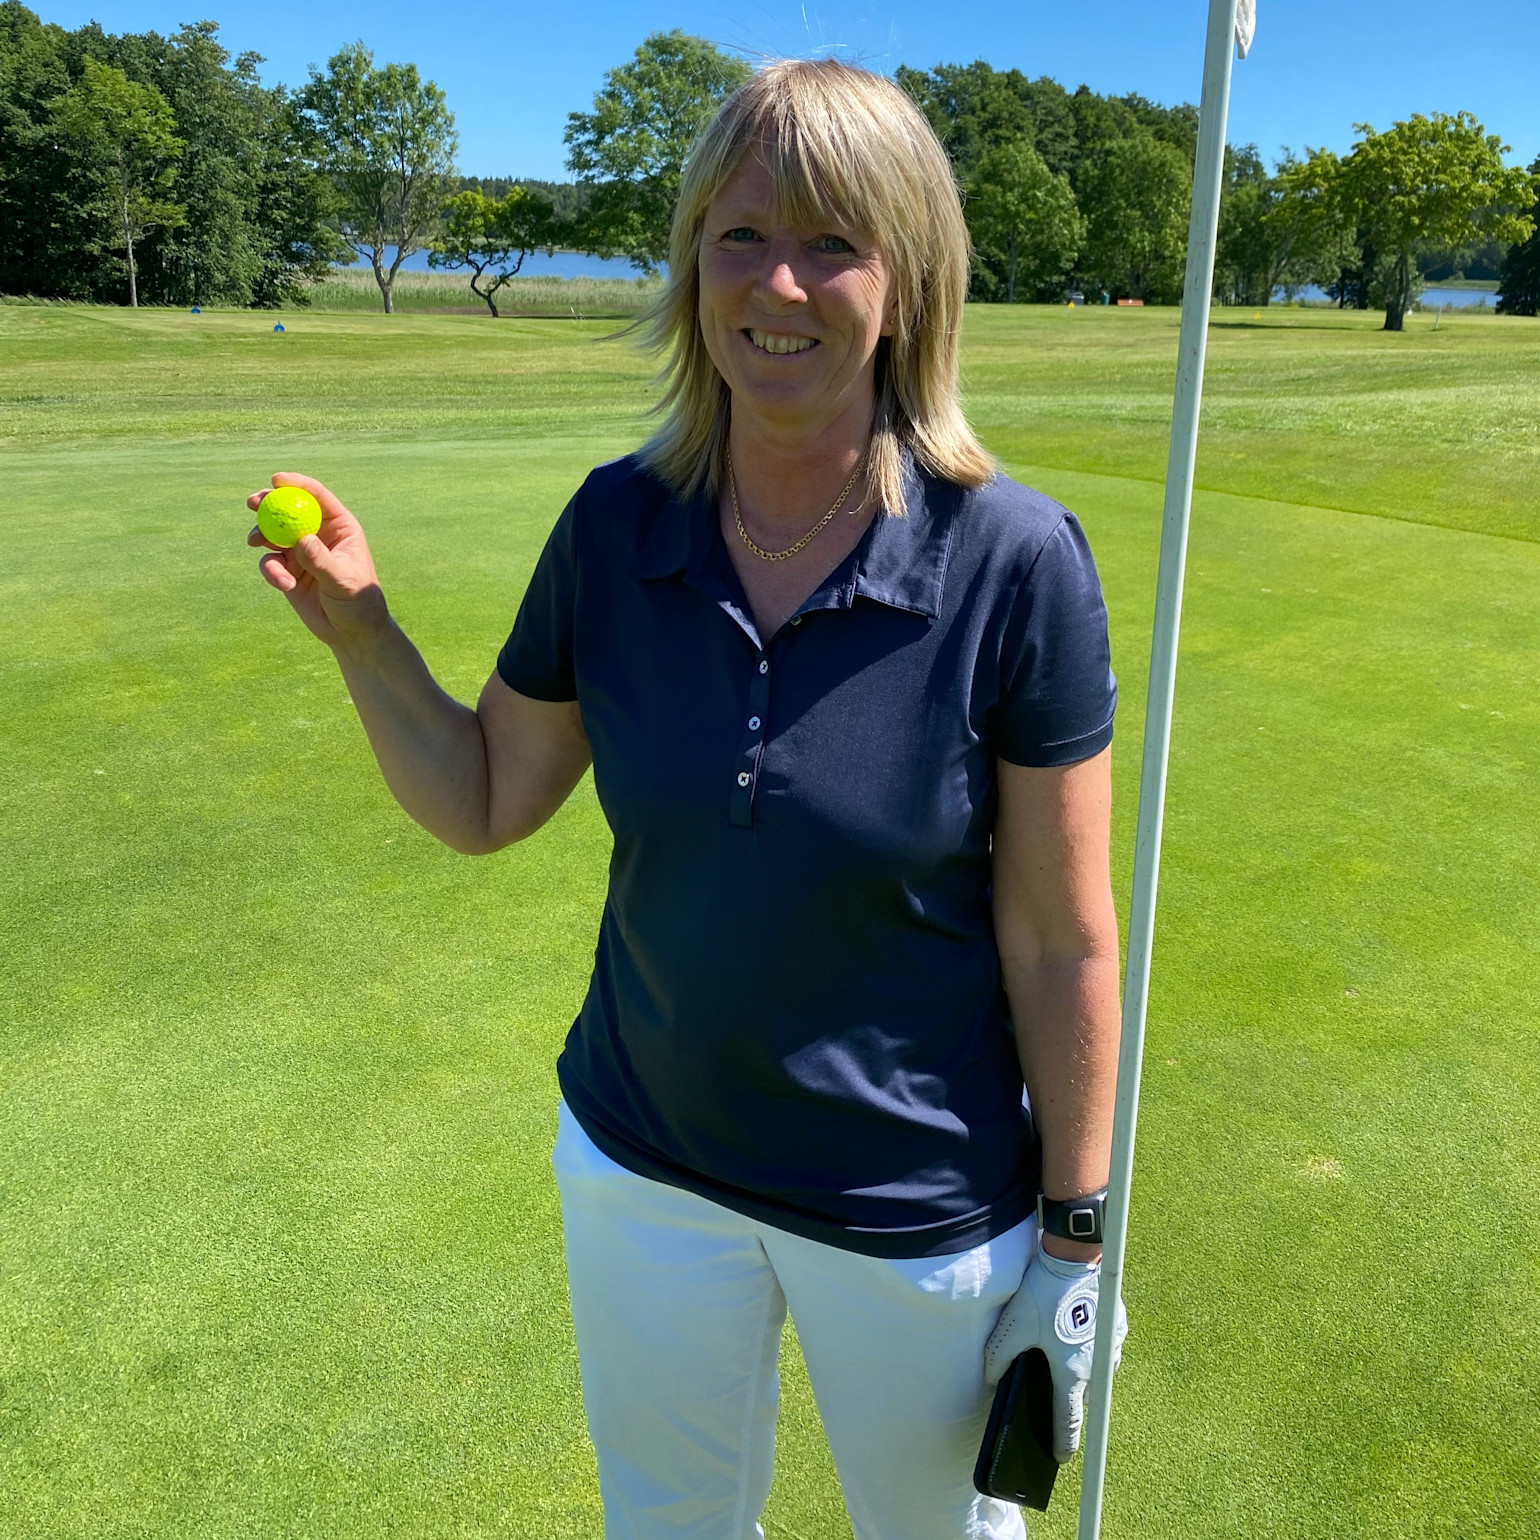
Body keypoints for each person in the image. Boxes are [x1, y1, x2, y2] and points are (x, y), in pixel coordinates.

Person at [246, 58, 1125, 1540]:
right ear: (689, 264)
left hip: (912, 1213)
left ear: (908, 285)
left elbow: (1061, 942)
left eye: (832, 241)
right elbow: (480, 795)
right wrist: (363, 631)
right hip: (644, 1169)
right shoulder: (615, 523)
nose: (776, 281)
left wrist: (1076, 1241)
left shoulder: (1015, 561)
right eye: (738, 233)